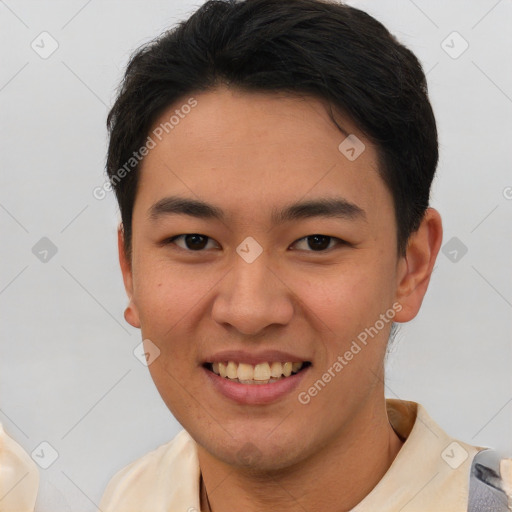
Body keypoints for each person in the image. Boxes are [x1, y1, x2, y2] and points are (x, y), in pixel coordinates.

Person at [98, 0, 512, 510]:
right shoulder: (131, 495)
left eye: (317, 242)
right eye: (195, 241)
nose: (250, 312)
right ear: (129, 269)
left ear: (413, 265)